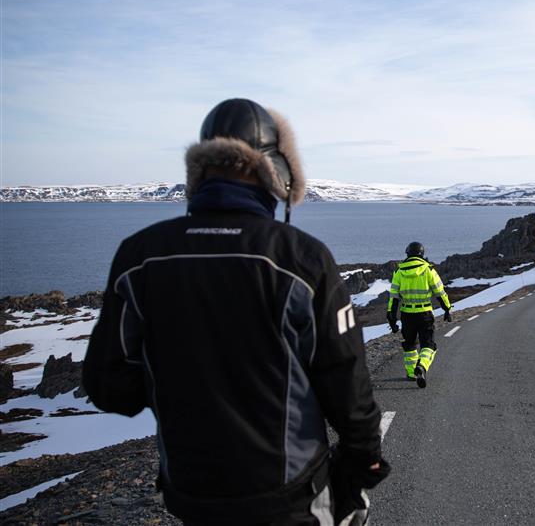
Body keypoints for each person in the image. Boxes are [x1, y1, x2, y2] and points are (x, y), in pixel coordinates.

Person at [83, 98, 390, 526]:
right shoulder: (300, 259)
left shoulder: (140, 256)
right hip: (288, 493)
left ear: (199, 173)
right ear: (279, 173)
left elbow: (108, 386)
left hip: (192, 491)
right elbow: (344, 376)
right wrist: (366, 458)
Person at [386, 241, 452, 388]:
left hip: (407, 315)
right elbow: (440, 293)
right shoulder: (428, 270)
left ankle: (411, 373)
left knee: (409, 344)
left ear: (407, 254)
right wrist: (447, 309)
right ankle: (422, 366)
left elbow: (394, 298)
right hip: (425, 313)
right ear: (422, 254)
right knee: (428, 345)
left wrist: (392, 318)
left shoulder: (399, 272)